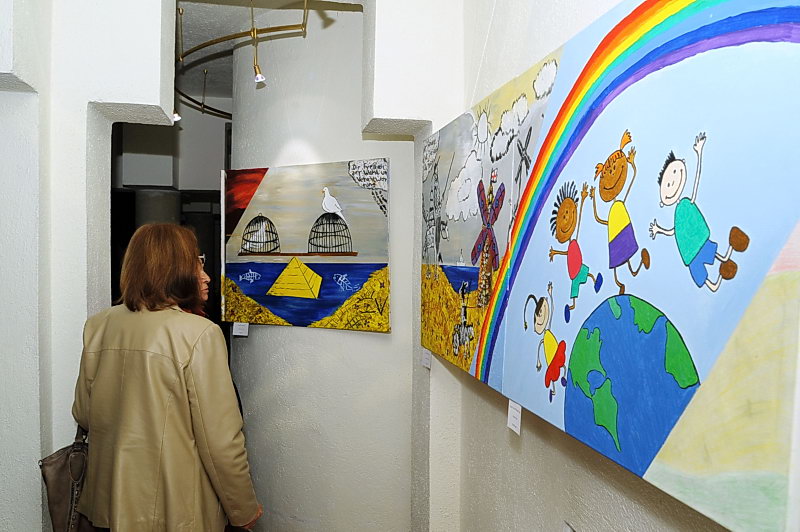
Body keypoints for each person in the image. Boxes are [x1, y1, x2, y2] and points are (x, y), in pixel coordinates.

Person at [72, 223, 263, 531]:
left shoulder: (99, 325)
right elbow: (220, 442)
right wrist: (243, 510)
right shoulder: (198, 334)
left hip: (111, 503)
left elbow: (84, 413)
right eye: (197, 263)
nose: (206, 276)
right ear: (175, 269)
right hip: (175, 508)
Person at [649, 132, 750, 292]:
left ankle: (733, 247)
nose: (673, 183)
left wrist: (699, 153)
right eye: (667, 185)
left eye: (675, 173)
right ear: (663, 199)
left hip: (699, 241)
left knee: (719, 257)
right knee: (705, 278)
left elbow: (695, 185)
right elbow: (675, 231)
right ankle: (721, 276)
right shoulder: (679, 212)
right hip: (690, 253)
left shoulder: (686, 204)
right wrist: (659, 230)